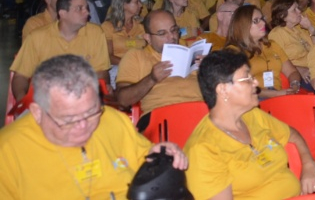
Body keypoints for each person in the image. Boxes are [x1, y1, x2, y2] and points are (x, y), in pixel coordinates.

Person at [0, 55, 187, 199]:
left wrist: (160, 156)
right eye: (69, 119)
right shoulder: (7, 152)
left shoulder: (112, 120)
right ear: (37, 113)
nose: (83, 126)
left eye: (91, 112)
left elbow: (143, 159)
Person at [185, 50, 315, 199]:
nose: (255, 83)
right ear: (223, 90)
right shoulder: (204, 149)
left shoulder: (251, 115)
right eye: (247, 79)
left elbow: (291, 134)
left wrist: (309, 164)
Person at [11, 0, 111, 101]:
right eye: (79, 8)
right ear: (63, 13)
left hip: (82, 97)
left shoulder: (95, 33)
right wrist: (22, 101)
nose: (87, 12)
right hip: (45, 99)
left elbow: (101, 72)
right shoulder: (37, 37)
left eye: (86, 8)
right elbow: (21, 76)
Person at [116, 10, 204, 124]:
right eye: (162, 33)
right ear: (148, 38)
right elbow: (122, 100)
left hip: (200, 113)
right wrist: (151, 79)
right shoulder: (136, 56)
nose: (171, 37)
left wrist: (208, 69)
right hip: (161, 117)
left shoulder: (191, 51)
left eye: (174, 30)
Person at [224, 5, 300, 98]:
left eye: (262, 19)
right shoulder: (233, 51)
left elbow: (292, 72)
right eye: (256, 21)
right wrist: (277, 94)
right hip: (252, 99)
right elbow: (243, 85)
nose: (263, 23)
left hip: (279, 96)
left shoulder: (272, 45)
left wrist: (294, 85)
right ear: (243, 26)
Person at [266, 0, 315, 85]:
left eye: (298, 8)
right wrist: (298, 69)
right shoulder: (276, 34)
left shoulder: (300, 28)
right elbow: (275, 61)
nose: (299, 11)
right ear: (282, 16)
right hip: (300, 76)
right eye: (294, 10)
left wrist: (310, 27)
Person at [101, 0, 147, 82]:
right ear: (124, 4)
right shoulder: (108, 27)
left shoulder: (141, 26)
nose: (141, 5)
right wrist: (130, 64)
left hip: (141, 66)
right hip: (117, 67)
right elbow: (108, 56)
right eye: (136, 2)